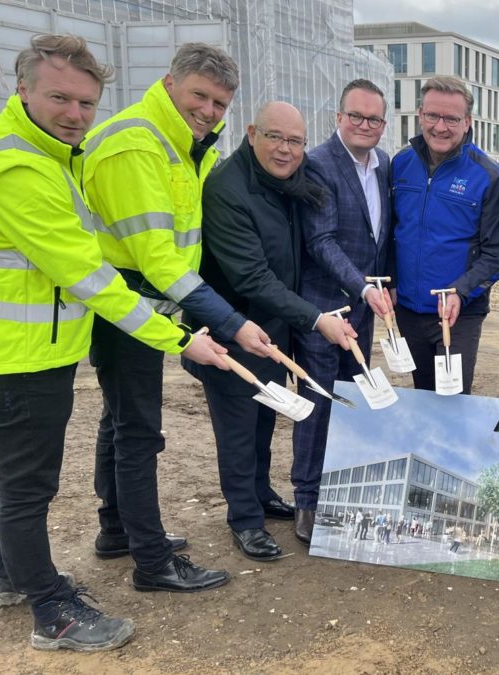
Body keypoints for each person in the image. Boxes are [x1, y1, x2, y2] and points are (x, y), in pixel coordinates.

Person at [0, 34, 228, 650]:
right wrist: (184, 336)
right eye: (60, 98)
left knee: (37, 469)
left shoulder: (52, 155)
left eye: (85, 103)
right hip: (20, 354)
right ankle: (52, 610)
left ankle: (13, 571)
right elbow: (93, 276)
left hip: (41, 344)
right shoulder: (22, 167)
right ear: (23, 90)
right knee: (30, 484)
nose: (74, 114)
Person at [82, 43, 273, 591]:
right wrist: (230, 321)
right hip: (128, 304)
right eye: (201, 96)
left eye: (220, 102)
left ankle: (116, 528)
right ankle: (151, 559)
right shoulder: (138, 144)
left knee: (117, 420)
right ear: (170, 83)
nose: (210, 110)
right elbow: (157, 257)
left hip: (151, 302)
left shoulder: (188, 144)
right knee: (139, 431)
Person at [184, 101, 356, 561]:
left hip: (272, 327)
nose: (285, 149)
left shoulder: (285, 184)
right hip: (231, 328)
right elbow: (251, 278)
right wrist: (317, 319)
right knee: (237, 427)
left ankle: (260, 494)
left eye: (295, 141)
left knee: (263, 419)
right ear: (252, 132)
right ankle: (244, 519)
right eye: (276, 137)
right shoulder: (227, 188)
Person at [293, 79, 393, 544]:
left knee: (352, 399)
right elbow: (321, 240)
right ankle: (307, 500)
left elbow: (377, 237)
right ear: (338, 117)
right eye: (356, 116)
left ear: (384, 125)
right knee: (318, 402)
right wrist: (361, 286)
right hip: (323, 307)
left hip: (364, 309)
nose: (364, 125)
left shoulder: (384, 165)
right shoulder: (317, 164)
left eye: (373, 119)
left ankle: (338, 490)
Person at [391, 75, 499, 393]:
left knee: (452, 401)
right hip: (408, 310)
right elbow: (391, 233)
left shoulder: (488, 176)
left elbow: (497, 253)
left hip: (459, 316)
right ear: (420, 114)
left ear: (467, 122)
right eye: (432, 116)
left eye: (451, 118)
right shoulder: (400, 164)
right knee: (423, 395)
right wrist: (390, 282)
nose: (440, 127)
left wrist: (460, 291)